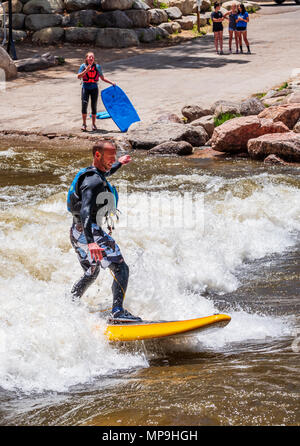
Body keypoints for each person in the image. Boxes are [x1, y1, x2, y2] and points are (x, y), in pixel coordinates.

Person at [67, 139, 142, 323]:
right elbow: (85, 210)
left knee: (92, 271)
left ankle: (69, 303)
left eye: (114, 156)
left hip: (75, 232)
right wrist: (92, 241)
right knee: (121, 268)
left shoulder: (92, 172)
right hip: (89, 231)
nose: (112, 159)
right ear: (97, 155)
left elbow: (107, 171)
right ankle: (117, 312)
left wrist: (120, 163)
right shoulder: (93, 182)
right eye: (110, 157)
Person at [77, 52, 115, 132]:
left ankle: (93, 124)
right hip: (85, 88)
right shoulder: (83, 66)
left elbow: (103, 78)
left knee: (93, 106)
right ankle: (84, 124)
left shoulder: (97, 67)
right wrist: (86, 71)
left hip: (94, 88)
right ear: (86, 58)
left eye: (92, 57)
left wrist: (112, 82)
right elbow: (78, 76)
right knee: (84, 105)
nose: (91, 58)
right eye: (90, 57)